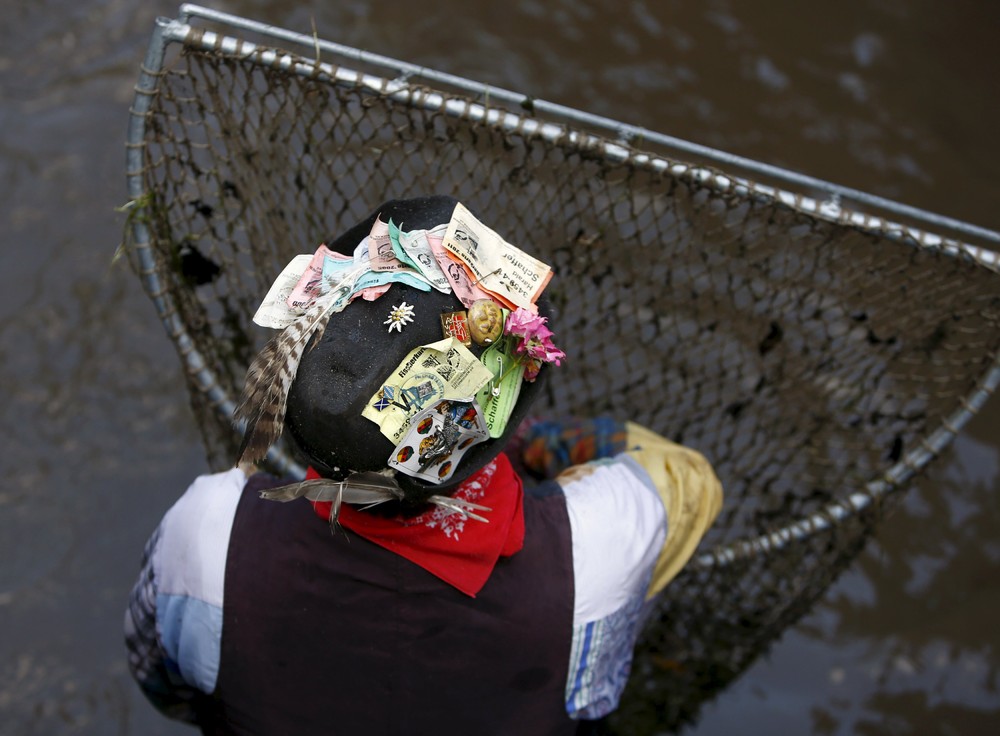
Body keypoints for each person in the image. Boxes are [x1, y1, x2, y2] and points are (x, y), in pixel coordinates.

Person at [125, 196, 723, 735]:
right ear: (493, 419)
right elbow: (688, 478)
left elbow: (165, 686)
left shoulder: (205, 536)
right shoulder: (597, 548)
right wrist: (542, 446)